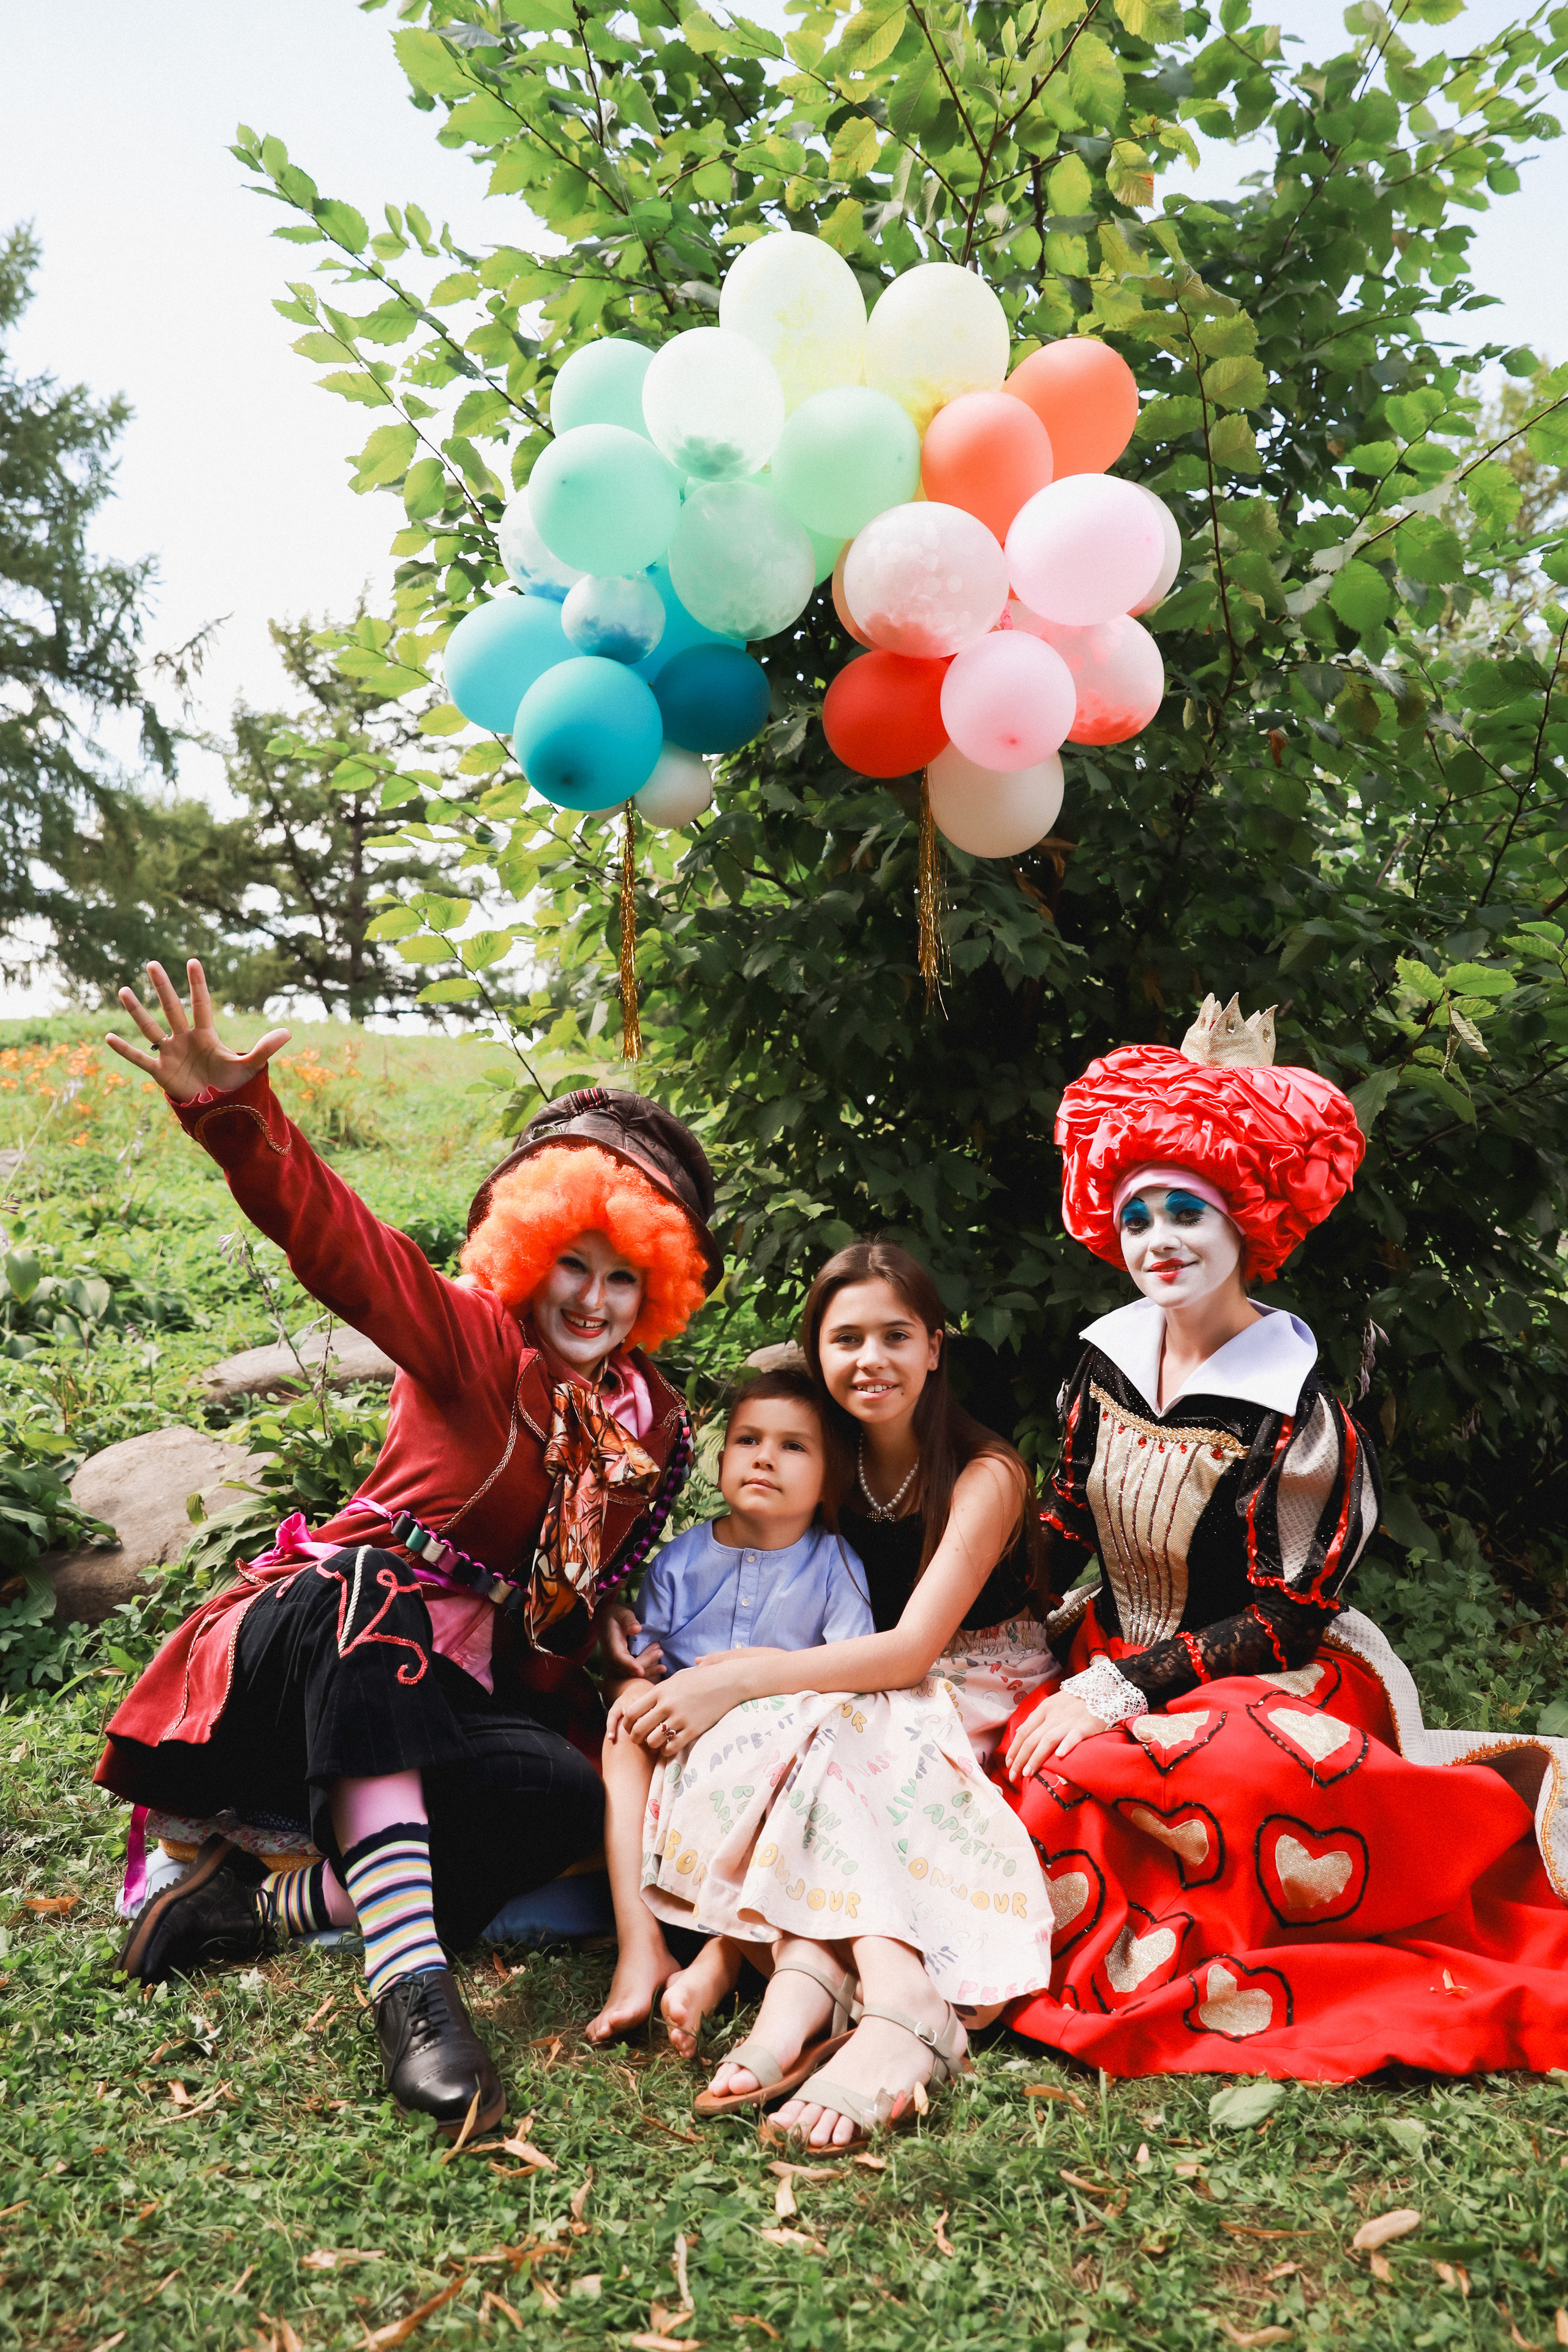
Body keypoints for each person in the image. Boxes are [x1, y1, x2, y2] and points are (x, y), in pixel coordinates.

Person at [94, 959, 720, 2136]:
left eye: (622, 1278)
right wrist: (238, 1119)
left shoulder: (654, 1427)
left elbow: (569, 1603)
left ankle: (252, 1910)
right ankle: (413, 1992)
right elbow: (344, 1247)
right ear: (529, 1256)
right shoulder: (471, 1339)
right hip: (305, 1661)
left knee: (565, 1790)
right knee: (372, 1580)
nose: (590, 1301)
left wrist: (617, 1636)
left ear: (657, 1292)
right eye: (571, 1267)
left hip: (442, 1710)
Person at [999, 991, 1568, 2077]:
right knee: (1034, 1772)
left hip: (1266, 1677)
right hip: (1103, 1654)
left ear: (1243, 1225)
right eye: (1138, 1218)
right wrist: (976, 1614)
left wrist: (1125, 1689)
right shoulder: (1101, 1360)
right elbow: (1062, 1528)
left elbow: (1291, 1610)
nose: (1160, 1240)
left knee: (1228, 1781)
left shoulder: (1295, 1399)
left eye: (1186, 1212)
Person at [614, 1241, 1059, 2150]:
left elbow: (908, 1653)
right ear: (816, 1352)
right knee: (788, 1734)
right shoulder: (824, 1454)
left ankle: (897, 1996)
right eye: (845, 1338)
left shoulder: (987, 1473)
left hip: (970, 1673)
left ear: (936, 1346)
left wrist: (730, 1679)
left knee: (823, 1731)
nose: (871, 1361)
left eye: (896, 1336)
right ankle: (808, 1973)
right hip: (847, 1679)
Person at [585, 1366, 873, 2049]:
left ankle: (718, 1961)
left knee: (804, 1760)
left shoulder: (833, 1564)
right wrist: (628, 1684)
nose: (765, 1457)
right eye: (748, 1440)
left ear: (831, 1478)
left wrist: (758, 1675)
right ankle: (639, 1943)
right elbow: (638, 1668)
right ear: (720, 1463)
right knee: (624, 1725)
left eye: (794, 1446)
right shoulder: (681, 1562)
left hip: (776, 1756)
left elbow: (852, 1680)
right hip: (682, 1747)